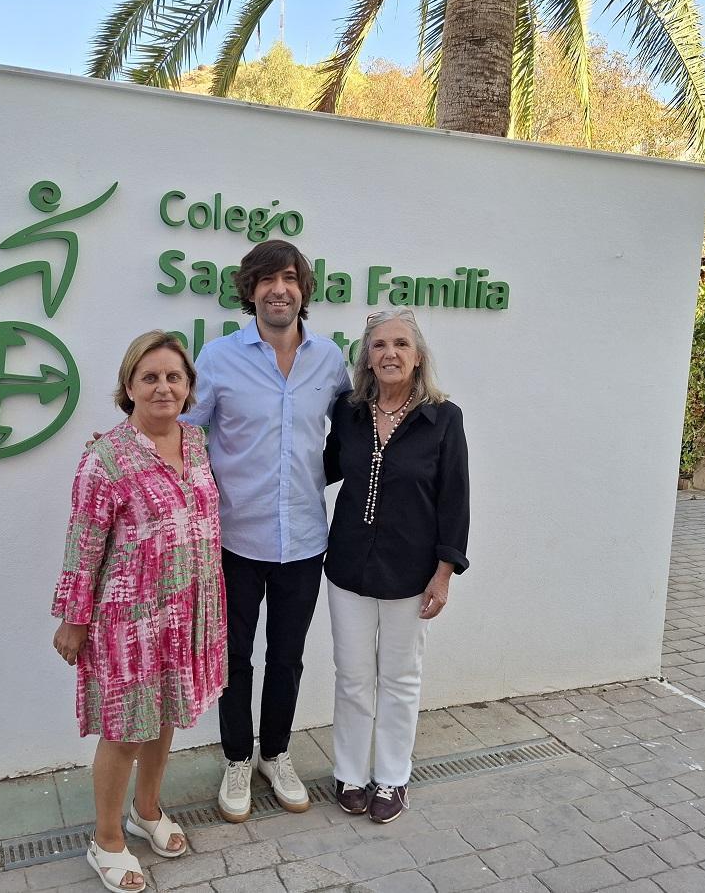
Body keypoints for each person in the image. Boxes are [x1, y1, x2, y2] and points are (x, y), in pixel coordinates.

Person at [51, 330, 226, 893]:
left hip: (187, 612)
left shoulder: (196, 443)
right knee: (124, 731)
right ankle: (106, 839)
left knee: (165, 717)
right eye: (149, 377)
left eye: (174, 376)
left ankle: (146, 812)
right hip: (130, 621)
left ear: (189, 387)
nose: (163, 386)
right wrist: (74, 617)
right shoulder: (106, 456)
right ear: (129, 387)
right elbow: (84, 542)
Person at [184, 239, 352, 822]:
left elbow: (352, 432)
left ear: (303, 289)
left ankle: (275, 753)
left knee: (288, 657)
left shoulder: (330, 360)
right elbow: (185, 433)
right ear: (249, 290)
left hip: (305, 539)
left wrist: (320, 474)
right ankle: (236, 757)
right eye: (266, 280)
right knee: (234, 657)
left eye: (289, 278)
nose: (278, 289)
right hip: (234, 539)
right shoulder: (218, 358)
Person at [322, 307, 470, 824]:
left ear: (418, 356)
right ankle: (349, 772)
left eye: (400, 344)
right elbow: (318, 466)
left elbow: (455, 498)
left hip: (412, 572)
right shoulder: (350, 411)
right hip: (348, 567)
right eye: (379, 345)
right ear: (367, 356)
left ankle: (391, 777)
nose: (389, 353)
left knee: (401, 678)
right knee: (354, 676)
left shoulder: (442, 418)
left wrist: (444, 571)